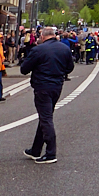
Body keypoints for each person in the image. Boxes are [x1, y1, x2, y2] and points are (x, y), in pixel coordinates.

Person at [20, 27, 74, 163]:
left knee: (46, 119)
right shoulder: (64, 49)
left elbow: (24, 69)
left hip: (42, 85)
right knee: (45, 116)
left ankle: (51, 153)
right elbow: (70, 67)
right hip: (57, 85)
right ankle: (36, 149)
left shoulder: (38, 50)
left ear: (43, 36)